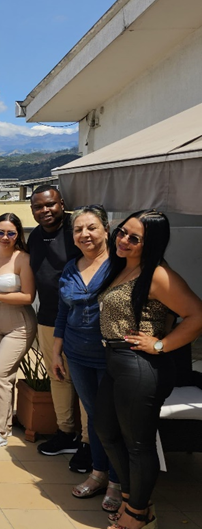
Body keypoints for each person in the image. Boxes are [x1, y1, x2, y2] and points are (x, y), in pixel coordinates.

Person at [95, 210, 202, 529]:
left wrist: (160, 345)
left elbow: (196, 315)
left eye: (134, 238)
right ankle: (133, 501)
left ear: (150, 243)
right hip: (116, 362)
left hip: (139, 365)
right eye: (122, 232)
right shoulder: (123, 267)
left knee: (138, 444)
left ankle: (137, 515)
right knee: (106, 432)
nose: (123, 240)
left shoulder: (156, 274)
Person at [50, 206, 118, 510]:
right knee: (94, 417)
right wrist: (56, 351)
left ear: (106, 229)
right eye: (78, 230)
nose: (84, 234)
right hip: (77, 353)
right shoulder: (71, 267)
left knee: (112, 419)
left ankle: (118, 481)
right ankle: (98, 473)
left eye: (91, 227)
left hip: (113, 356)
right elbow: (64, 311)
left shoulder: (121, 265)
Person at [28, 186, 89, 470]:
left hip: (82, 320)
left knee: (85, 380)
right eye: (38, 207)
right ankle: (66, 433)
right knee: (58, 377)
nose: (45, 211)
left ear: (62, 203)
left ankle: (89, 443)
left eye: (50, 205)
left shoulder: (77, 232)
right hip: (49, 317)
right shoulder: (36, 237)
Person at [0, 213, 36, 450]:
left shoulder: (24, 259)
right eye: (0, 232)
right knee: (5, 376)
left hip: (18, 324)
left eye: (11, 233)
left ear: (18, 235)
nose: (5, 237)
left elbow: (29, 296)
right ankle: (5, 424)